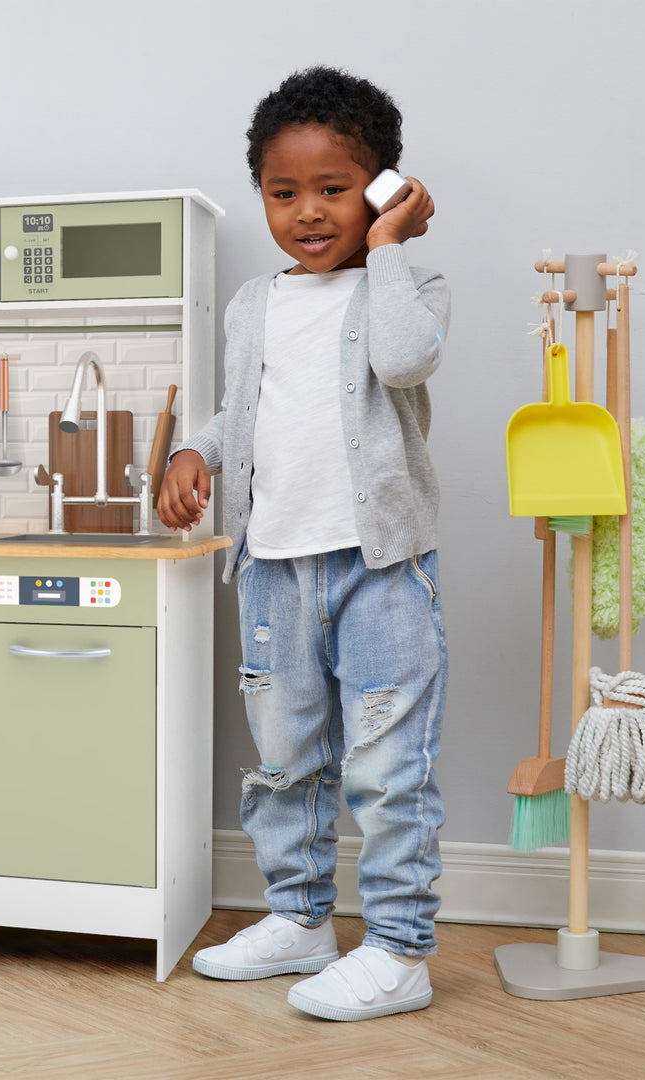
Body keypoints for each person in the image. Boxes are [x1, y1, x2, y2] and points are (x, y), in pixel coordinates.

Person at [157, 67, 450, 1022]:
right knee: (284, 760)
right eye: (285, 194)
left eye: (335, 189)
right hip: (274, 566)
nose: (309, 213)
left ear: (381, 187)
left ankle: (402, 951)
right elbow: (242, 407)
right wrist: (195, 448)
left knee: (384, 766)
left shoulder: (405, 284)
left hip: (380, 570)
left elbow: (404, 358)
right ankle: (300, 918)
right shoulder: (254, 304)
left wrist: (395, 243)